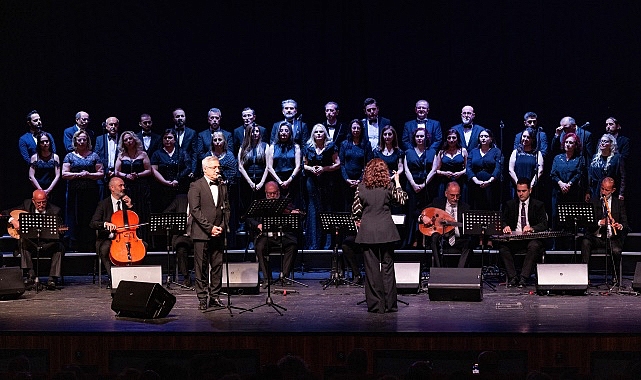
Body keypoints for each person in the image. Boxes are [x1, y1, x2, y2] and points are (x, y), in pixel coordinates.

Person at [352, 158, 408, 313]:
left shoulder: (361, 188)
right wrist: (397, 181)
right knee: (388, 268)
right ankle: (390, 304)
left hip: (368, 231)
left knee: (371, 269)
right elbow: (402, 200)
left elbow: (355, 211)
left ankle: (377, 305)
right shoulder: (388, 186)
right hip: (386, 231)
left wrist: (359, 219)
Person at [188, 156, 230, 310]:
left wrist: (222, 227)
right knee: (201, 266)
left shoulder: (222, 185)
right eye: (214, 168)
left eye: (218, 167)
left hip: (218, 231)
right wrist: (210, 228)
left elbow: (227, 208)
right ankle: (202, 297)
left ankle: (215, 296)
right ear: (205, 169)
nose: (217, 170)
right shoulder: (196, 185)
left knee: (217, 265)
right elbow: (195, 210)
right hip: (202, 232)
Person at [4, 189, 64, 290]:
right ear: (33, 201)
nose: (41, 205)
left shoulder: (55, 210)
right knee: (22, 241)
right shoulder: (26, 205)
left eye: (44, 202)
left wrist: (58, 232)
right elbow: (4, 213)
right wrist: (12, 220)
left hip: (46, 244)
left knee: (59, 247)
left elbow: (60, 235)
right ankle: (30, 276)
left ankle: (52, 279)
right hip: (31, 243)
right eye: (38, 203)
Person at [497, 178, 548, 287]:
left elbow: (544, 224)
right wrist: (505, 226)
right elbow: (502, 220)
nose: (521, 194)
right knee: (503, 247)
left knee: (534, 246)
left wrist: (532, 228)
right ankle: (513, 277)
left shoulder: (538, 205)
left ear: (530, 190)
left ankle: (524, 277)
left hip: (531, 239)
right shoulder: (510, 204)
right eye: (518, 191)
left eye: (523, 191)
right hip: (515, 240)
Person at [246, 181, 299, 286]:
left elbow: (298, 215)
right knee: (259, 247)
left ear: (278, 192)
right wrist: (258, 225)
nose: (272, 196)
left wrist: (294, 214)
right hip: (267, 236)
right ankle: (267, 278)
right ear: (266, 193)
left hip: (282, 236)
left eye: (274, 193)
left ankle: (284, 276)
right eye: (269, 194)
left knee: (293, 245)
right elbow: (249, 218)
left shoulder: (286, 202)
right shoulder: (260, 203)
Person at [61, 130, 103, 251]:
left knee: (89, 216)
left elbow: (101, 173)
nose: (82, 141)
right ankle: (75, 243)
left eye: (85, 139)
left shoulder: (94, 155)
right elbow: (64, 174)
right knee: (75, 216)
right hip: (75, 192)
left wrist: (89, 174)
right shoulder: (69, 156)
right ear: (75, 141)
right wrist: (78, 175)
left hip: (90, 192)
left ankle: (89, 243)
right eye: (80, 139)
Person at [89, 177, 135, 287]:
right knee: (105, 250)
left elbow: (136, 220)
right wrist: (105, 224)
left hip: (126, 237)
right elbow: (93, 223)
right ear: (112, 188)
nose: (123, 188)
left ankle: (132, 277)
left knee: (143, 247)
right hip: (107, 238)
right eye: (121, 185)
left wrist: (130, 207)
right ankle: (114, 279)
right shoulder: (103, 204)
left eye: (124, 185)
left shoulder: (126, 203)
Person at [302, 124, 340, 249]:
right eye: (316, 132)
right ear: (313, 134)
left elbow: (338, 164)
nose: (318, 134)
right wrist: (311, 168)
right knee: (313, 209)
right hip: (312, 181)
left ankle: (327, 244)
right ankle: (313, 244)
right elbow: (304, 165)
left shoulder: (330, 146)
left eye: (321, 132)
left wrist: (324, 169)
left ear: (325, 134)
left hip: (327, 181)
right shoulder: (308, 147)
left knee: (326, 209)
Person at [580, 177, 628, 271]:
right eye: (602, 188)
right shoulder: (593, 202)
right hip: (596, 237)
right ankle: (584, 275)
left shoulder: (619, 203)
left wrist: (620, 226)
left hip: (612, 238)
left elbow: (625, 224)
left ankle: (615, 277)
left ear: (613, 190)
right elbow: (587, 223)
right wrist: (600, 222)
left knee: (617, 250)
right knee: (585, 242)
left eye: (607, 190)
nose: (603, 192)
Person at [201, 131, 239, 248]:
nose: (217, 142)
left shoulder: (229, 155)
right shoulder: (208, 155)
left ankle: (230, 242)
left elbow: (233, 173)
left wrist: (224, 182)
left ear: (224, 142)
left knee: (227, 215)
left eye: (220, 140)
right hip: (211, 191)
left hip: (227, 190)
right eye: (215, 140)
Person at [420, 182, 471, 268]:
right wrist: (423, 217)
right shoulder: (437, 203)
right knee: (434, 237)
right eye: (452, 195)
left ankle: (460, 272)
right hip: (442, 238)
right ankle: (439, 269)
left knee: (469, 243)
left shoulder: (465, 207)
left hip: (458, 239)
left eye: (457, 196)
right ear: (446, 193)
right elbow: (419, 212)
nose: (455, 198)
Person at [114, 131, 152, 243]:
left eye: (130, 139)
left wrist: (138, 175)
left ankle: (144, 239)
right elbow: (116, 171)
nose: (128, 141)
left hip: (141, 187)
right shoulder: (121, 155)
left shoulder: (143, 154)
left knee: (142, 212)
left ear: (134, 139)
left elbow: (149, 170)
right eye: (125, 140)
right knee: (129, 212)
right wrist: (126, 175)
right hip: (127, 187)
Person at [404, 128, 436, 248]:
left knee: (426, 213)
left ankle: (425, 241)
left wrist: (424, 184)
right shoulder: (408, 152)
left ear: (426, 138)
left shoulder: (432, 152)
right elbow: (406, 169)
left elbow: (434, 169)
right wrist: (413, 184)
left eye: (422, 136)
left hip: (427, 186)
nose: (419, 138)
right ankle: (413, 239)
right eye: (417, 136)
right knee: (412, 212)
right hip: (412, 186)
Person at [237, 123, 269, 232]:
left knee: (260, 208)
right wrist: (250, 182)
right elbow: (240, 167)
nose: (255, 134)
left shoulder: (265, 146)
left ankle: (260, 232)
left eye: (257, 131)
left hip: (261, 181)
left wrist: (261, 183)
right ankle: (250, 233)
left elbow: (268, 166)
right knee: (249, 208)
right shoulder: (243, 147)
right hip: (247, 182)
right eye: (252, 132)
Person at [550, 132, 585, 229]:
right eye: (566, 142)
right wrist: (561, 183)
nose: (568, 144)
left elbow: (579, 173)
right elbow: (553, 173)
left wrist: (569, 184)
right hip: (558, 192)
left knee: (569, 220)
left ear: (575, 145)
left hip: (572, 192)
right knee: (556, 218)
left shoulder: (579, 159)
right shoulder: (557, 158)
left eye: (571, 143)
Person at [151, 129, 191, 212]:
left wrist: (177, 179)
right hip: (162, 188)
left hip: (180, 187)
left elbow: (188, 168)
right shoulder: (157, 153)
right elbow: (154, 170)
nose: (167, 140)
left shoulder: (182, 152)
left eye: (170, 138)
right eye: (165, 138)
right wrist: (164, 181)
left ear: (175, 139)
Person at [339, 119, 373, 212]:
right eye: (354, 128)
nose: (356, 130)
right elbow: (341, 163)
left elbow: (369, 164)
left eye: (358, 128)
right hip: (347, 181)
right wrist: (347, 179)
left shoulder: (366, 144)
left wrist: (360, 180)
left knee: (361, 206)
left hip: (361, 180)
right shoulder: (344, 144)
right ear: (350, 129)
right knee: (347, 205)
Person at [428, 128, 468, 203]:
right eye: (449, 138)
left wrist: (460, 173)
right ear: (446, 139)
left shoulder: (463, 151)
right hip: (445, 182)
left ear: (457, 138)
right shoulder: (441, 152)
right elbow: (436, 170)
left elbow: (467, 168)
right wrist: (445, 173)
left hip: (460, 181)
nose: (451, 140)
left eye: (454, 137)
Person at [266, 122, 302, 203]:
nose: (284, 132)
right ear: (278, 132)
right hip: (277, 179)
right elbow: (269, 167)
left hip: (292, 180)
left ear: (290, 132)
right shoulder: (273, 147)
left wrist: (289, 181)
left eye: (286, 130)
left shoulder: (296, 147)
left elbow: (298, 166)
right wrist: (279, 181)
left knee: (292, 206)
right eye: (281, 130)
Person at [466, 128, 502, 211]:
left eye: (486, 136)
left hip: (492, 185)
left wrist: (489, 181)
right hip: (475, 184)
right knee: (476, 207)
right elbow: (468, 167)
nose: (483, 138)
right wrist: (475, 180)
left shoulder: (496, 151)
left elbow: (498, 168)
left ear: (491, 139)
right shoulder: (473, 151)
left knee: (490, 207)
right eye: (481, 136)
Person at [163, 194, 193, 287]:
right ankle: (186, 277)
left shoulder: (204, 199)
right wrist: (177, 221)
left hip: (198, 235)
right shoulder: (181, 199)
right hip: (183, 235)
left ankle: (203, 278)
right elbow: (166, 212)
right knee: (181, 248)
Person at [586, 133, 625, 202]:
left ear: (611, 144)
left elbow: (622, 176)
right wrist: (588, 191)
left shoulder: (617, 158)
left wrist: (621, 193)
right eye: (601, 141)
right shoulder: (595, 157)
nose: (602, 143)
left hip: (609, 191)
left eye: (605, 141)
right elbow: (590, 176)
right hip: (595, 191)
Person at [195, 108, 233, 175]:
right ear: (208, 119)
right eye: (212, 118)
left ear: (220, 119)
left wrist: (219, 163)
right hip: (208, 169)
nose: (214, 120)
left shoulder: (228, 135)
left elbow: (229, 152)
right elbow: (200, 154)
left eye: (217, 118)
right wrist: (211, 163)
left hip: (225, 169)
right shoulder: (201, 135)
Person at [508, 127, 544, 197]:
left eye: (528, 137)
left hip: (532, 187)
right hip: (517, 186)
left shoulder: (537, 153)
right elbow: (510, 170)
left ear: (532, 139)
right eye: (524, 136)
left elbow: (540, 171)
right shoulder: (515, 152)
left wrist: (530, 185)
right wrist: (519, 185)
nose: (525, 139)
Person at [28, 132, 61, 197]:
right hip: (38, 189)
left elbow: (58, 175)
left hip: (52, 189)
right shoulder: (34, 157)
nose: (45, 144)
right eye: (42, 142)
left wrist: (49, 190)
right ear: (39, 144)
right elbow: (31, 176)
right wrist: (40, 190)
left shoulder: (55, 157)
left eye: (47, 141)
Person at [94, 116, 119, 198]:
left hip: (118, 174)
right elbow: (97, 157)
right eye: (111, 124)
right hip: (103, 174)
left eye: (115, 125)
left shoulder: (122, 138)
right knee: (102, 200)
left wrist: (115, 171)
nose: (113, 127)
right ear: (106, 126)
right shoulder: (99, 139)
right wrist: (106, 170)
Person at [171, 107, 198, 179]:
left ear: (185, 117)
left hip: (187, 168)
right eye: (177, 116)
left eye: (182, 116)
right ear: (173, 119)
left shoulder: (192, 133)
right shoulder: (169, 132)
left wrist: (193, 170)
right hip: (172, 168)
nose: (180, 118)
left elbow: (194, 153)